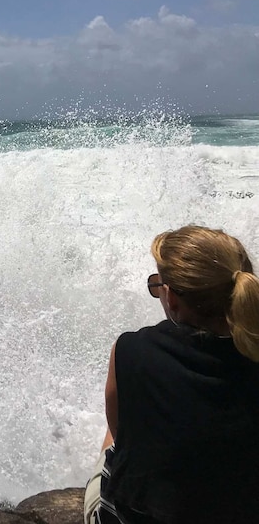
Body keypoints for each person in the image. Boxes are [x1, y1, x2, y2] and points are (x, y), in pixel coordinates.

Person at [85, 225, 259, 524]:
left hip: (144, 516)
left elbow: (122, 434)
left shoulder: (132, 349)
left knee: (114, 436)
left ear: (174, 300)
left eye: (158, 285)